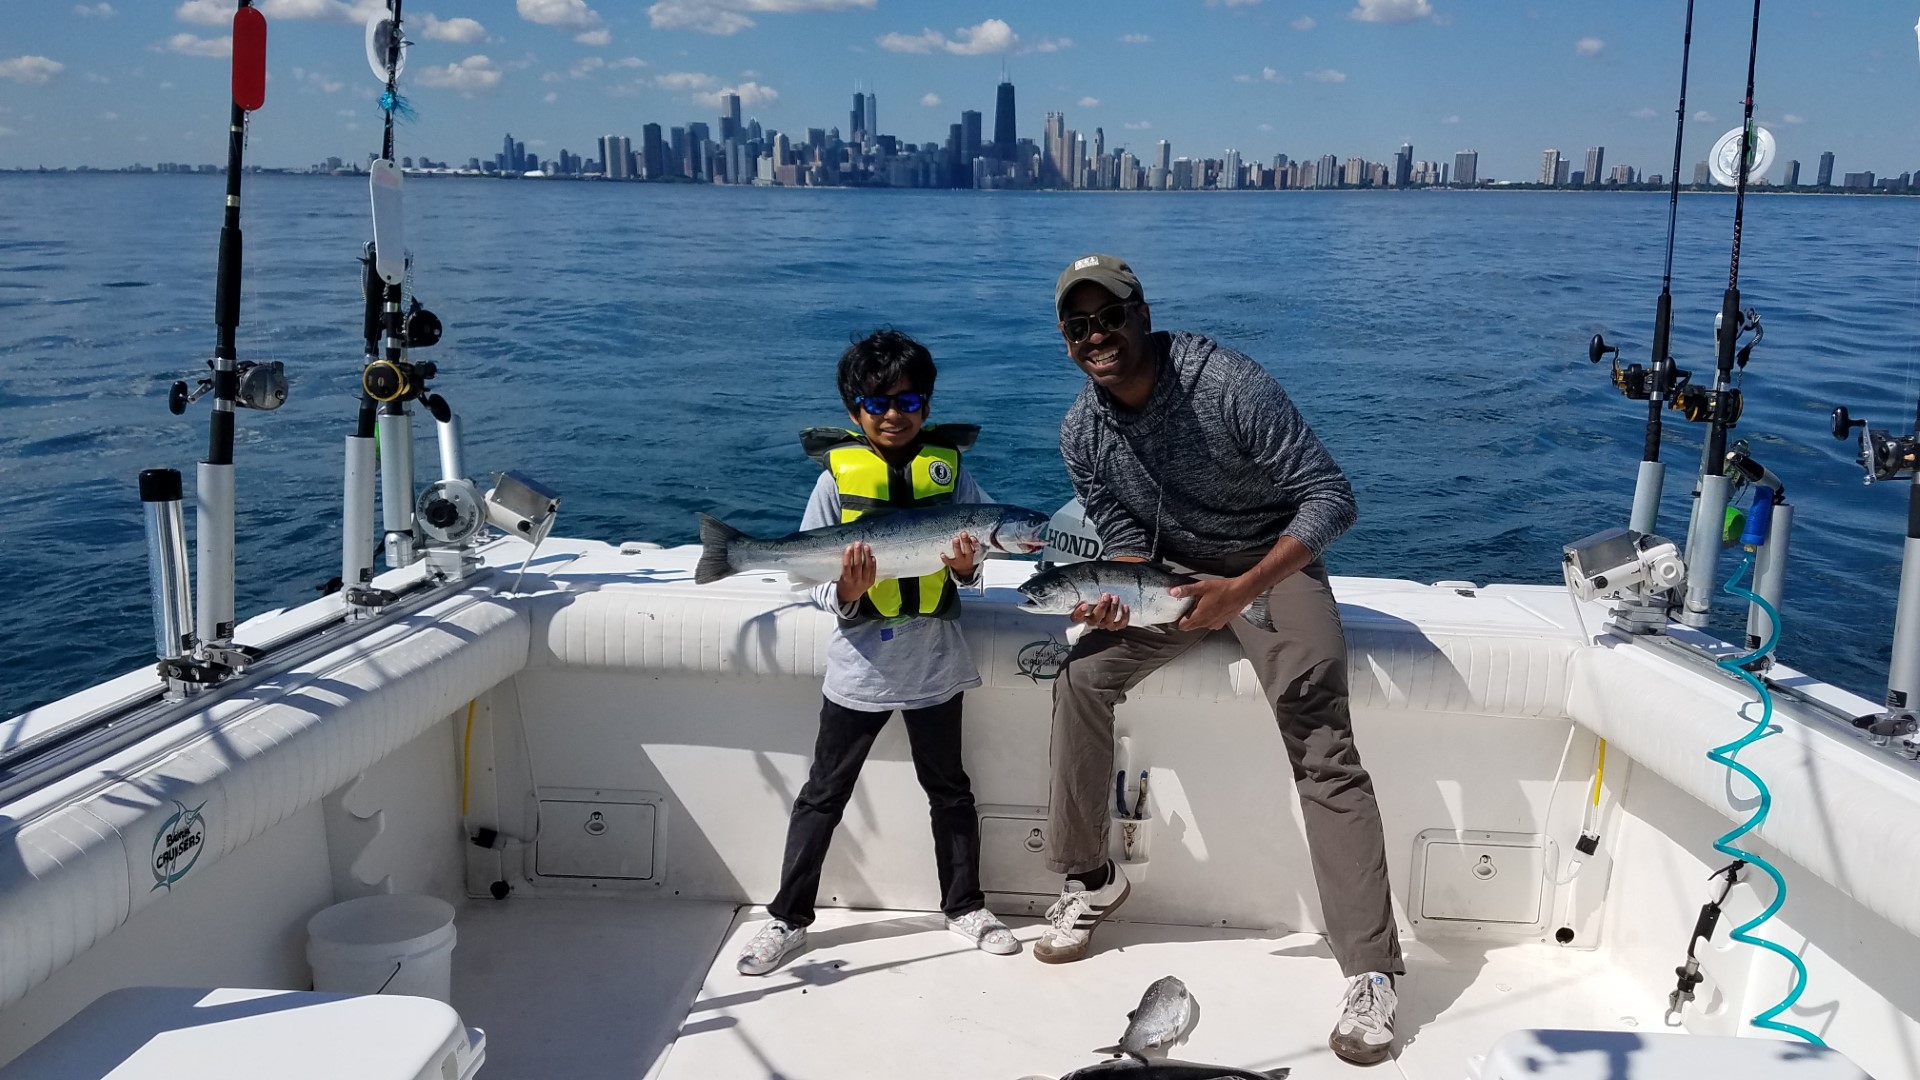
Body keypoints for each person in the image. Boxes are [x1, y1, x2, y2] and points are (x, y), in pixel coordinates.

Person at [1036, 255, 1405, 1066]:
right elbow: (1123, 538)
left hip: (1272, 565)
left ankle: (1373, 971)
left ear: (1143, 314)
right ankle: (1091, 878)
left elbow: (1331, 497)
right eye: (1079, 326)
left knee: (1319, 737)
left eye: (1110, 317)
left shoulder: (1225, 384)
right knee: (1081, 676)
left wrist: (1244, 588)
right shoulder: (1082, 432)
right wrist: (1119, 596)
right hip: (1169, 579)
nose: (1097, 336)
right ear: (1067, 343)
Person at [736, 329, 1019, 976]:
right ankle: (786, 918)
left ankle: (966, 906)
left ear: (927, 405)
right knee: (823, 794)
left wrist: (970, 570)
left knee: (950, 791)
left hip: (935, 665)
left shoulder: (955, 476)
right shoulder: (834, 485)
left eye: (910, 401)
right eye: (876, 403)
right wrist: (845, 591)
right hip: (859, 672)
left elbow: (971, 572)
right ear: (853, 410)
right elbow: (812, 581)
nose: (894, 414)